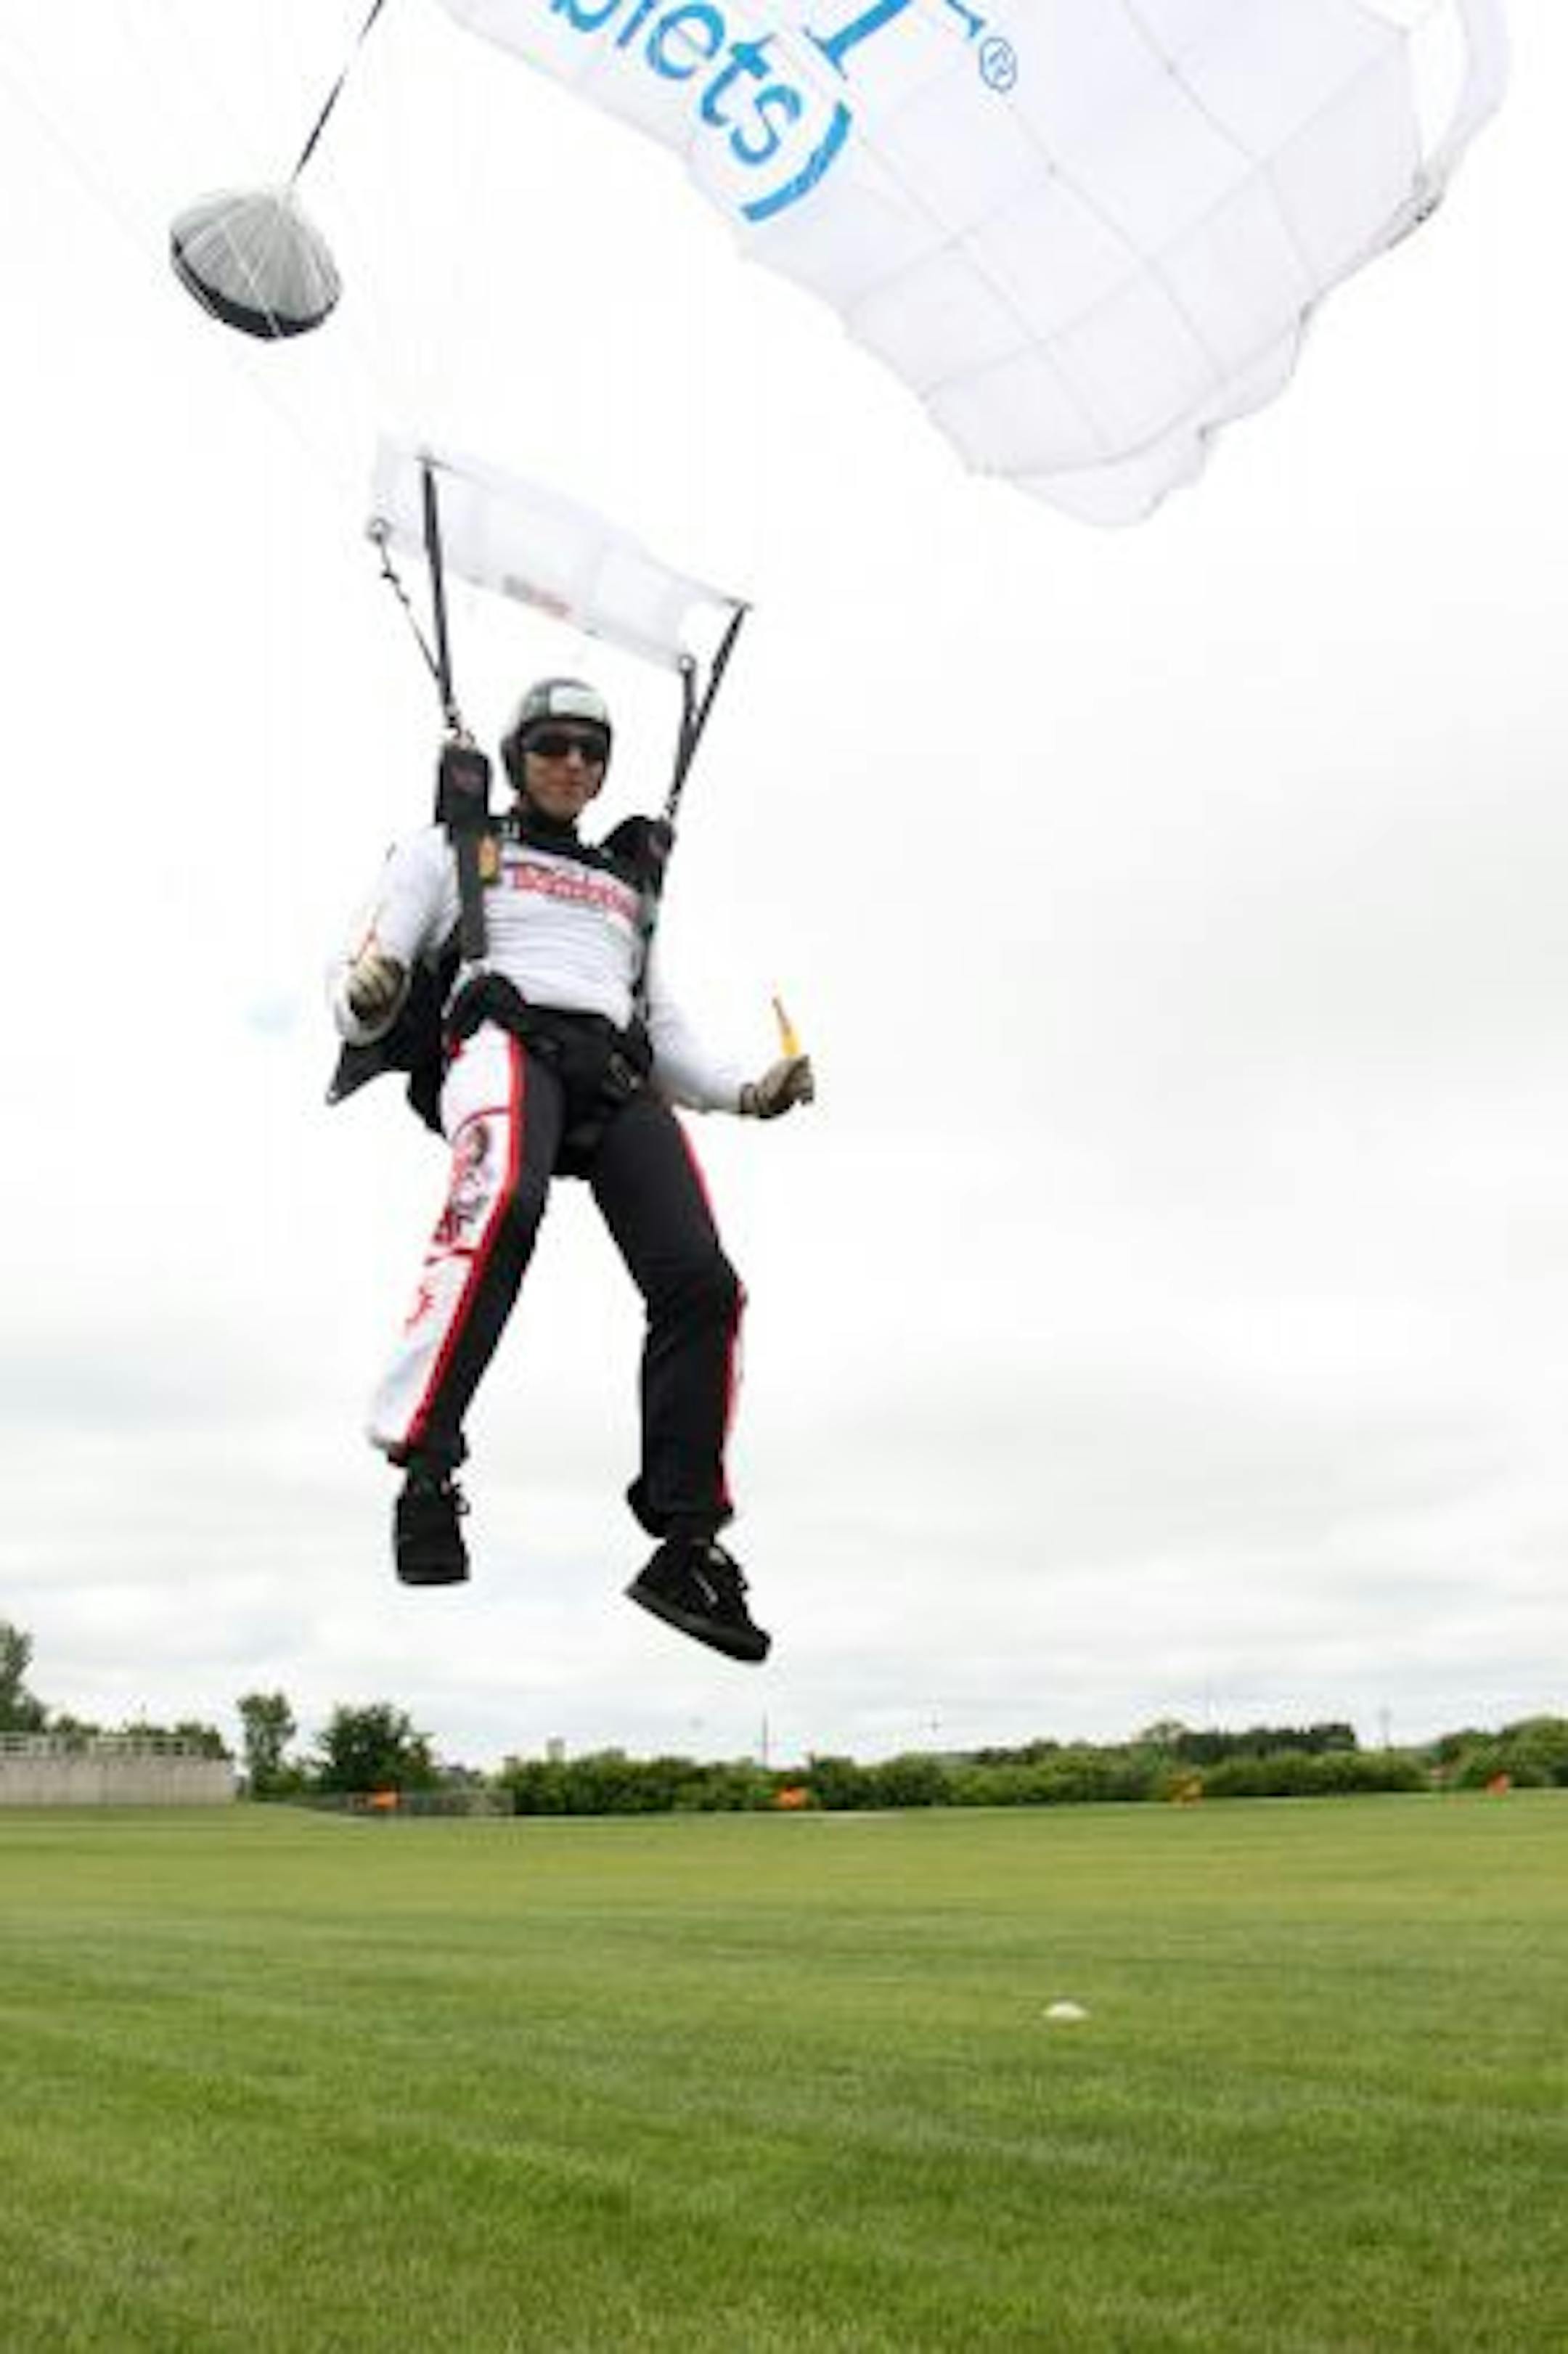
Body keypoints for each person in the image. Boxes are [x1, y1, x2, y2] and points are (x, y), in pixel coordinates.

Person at [329, 678, 813, 1664]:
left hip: (614, 1074)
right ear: (517, 756)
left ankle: (688, 1544)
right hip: (502, 1044)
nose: (573, 765)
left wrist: (746, 1092)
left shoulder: (624, 889)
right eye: (553, 745)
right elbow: (365, 973)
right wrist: (367, 995)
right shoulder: (449, 849)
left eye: (592, 751)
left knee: (702, 1283)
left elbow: (663, 1028)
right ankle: (425, 1467)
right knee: (505, 1204)